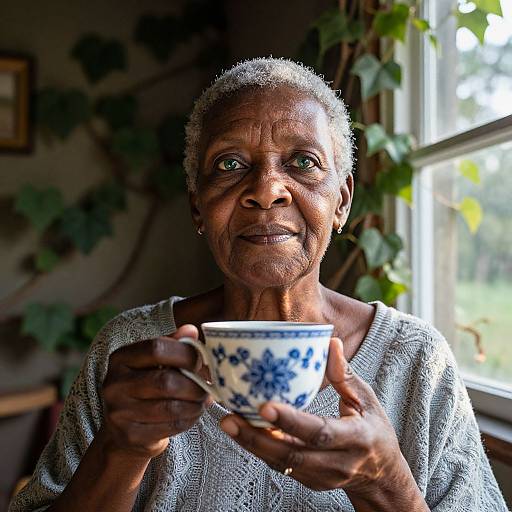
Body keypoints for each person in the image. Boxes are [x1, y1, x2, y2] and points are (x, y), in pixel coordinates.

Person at [10, 58, 508, 512]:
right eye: (230, 165)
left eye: (303, 163)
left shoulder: (416, 360)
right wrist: (119, 452)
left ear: (341, 202)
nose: (267, 189)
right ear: (197, 207)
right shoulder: (131, 350)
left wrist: (385, 483)